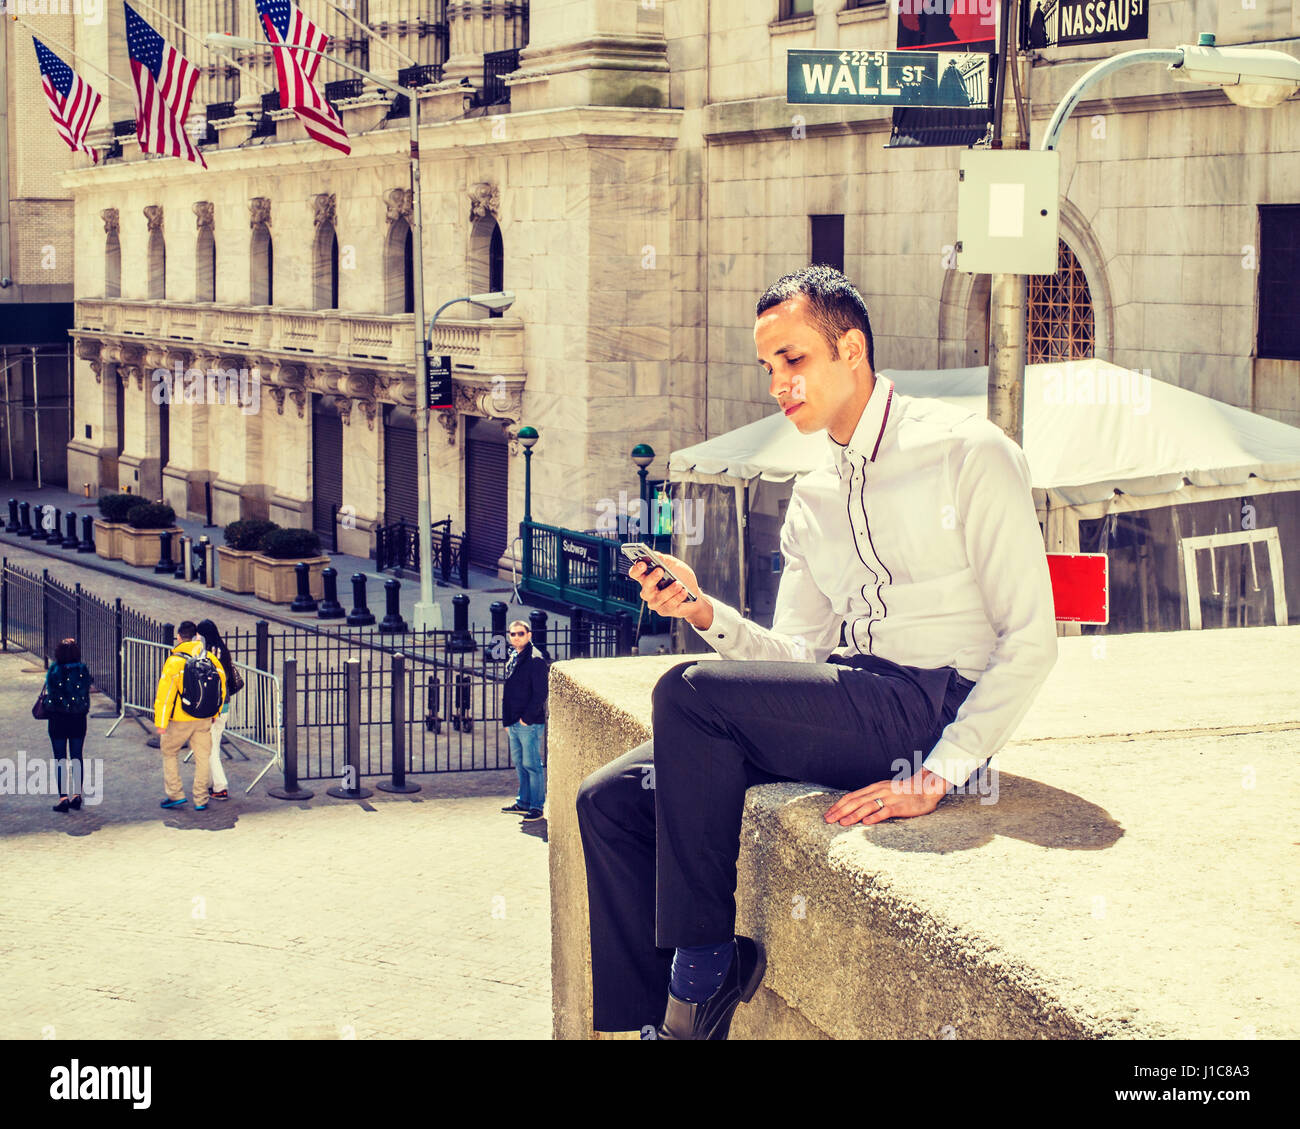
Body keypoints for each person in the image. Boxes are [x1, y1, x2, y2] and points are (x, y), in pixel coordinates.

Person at [575, 265, 1059, 1040]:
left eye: (794, 361)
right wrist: (703, 610)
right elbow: (798, 654)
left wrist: (940, 772)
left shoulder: (969, 451)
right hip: (850, 698)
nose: (779, 385)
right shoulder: (816, 494)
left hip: (922, 707)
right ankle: (651, 1016)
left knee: (685, 694)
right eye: (769, 369)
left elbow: (1033, 636)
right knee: (609, 800)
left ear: (852, 349)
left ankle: (698, 990)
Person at [154, 620, 226, 811]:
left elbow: (165, 695)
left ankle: (175, 794)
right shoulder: (210, 657)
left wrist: (161, 722)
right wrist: (215, 713)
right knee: (203, 757)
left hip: (180, 718)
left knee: (169, 752)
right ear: (196, 637)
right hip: (203, 717)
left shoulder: (174, 662)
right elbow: (221, 688)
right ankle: (201, 799)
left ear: (178, 637)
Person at [499, 619, 549, 822]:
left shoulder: (535, 659)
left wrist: (525, 720)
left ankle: (536, 806)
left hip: (528, 723)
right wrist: (507, 722)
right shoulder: (514, 655)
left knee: (532, 765)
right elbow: (508, 691)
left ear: (529, 635)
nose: (516, 637)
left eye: (520, 633)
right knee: (520, 763)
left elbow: (541, 693)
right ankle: (523, 802)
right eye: (513, 634)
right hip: (513, 722)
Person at [196, 618, 242, 801]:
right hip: (224, 705)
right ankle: (209, 784)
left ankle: (220, 786)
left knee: (211, 748)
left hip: (214, 706)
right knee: (209, 746)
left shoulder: (207, 654)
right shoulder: (223, 651)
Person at [45, 638, 92, 813]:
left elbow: (51, 688)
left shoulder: (54, 670)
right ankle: (77, 795)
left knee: (60, 758)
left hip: (58, 718)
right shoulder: (82, 670)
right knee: (77, 756)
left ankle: (63, 797)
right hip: (78, 718)